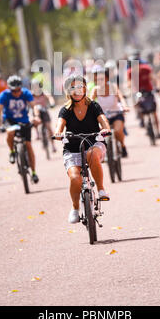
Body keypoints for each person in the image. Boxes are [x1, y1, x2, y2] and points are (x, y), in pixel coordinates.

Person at [53, 75, 111, 224]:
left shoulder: (94, 106)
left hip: (94, 143)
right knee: (74, 178)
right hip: (72, 148)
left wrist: (105, 129)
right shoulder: (65, 110)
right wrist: (58, 133)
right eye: (73, 87)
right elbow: (59, 126)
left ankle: (101, 189)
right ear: (69, 91)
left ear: (85, 88)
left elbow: (103, 121)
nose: (77, 90)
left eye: (80, 86)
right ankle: (75, 208)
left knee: (92, 154)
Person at [0, 75, 40, 183]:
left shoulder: (26, 93)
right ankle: (12, 151)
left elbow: (34, 106)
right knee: (10, 132)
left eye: (18, 90)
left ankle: (33, 172)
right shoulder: (4, 95)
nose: (17, 93)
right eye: (14, 90)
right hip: (9, 120)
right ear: (9, 89)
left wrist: (36, 116)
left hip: (24, 120)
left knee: (28, 145)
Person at [90, 68, 129, 157]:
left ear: (107, 79)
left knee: (118, 131)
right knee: (98, 132)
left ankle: (122, 146)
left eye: (101, 79)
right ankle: (103, 152)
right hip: (103, 117)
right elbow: (90, 102)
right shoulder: (95, 90)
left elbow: (121, 98)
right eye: (97, 79)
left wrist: (124, 106)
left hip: (116, 114)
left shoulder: (113, 87)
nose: (98, 81)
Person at [127, 51, 160, 138]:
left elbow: (153, 78)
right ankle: (142, 120)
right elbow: (129, 83)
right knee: (138, 105)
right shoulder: (130, 72)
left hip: (148, 91)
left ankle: (158, 132)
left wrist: (157, 87)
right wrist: (132, 91)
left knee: (154, 112)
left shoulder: (146, 69)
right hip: (138, 93)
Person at [31, 78, 56, 153]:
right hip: (36, 113)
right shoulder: (31, 94)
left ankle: (53, 145)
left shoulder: (43, 93)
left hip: (44, 111)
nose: (36, 87)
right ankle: (37, 134)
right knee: (33, 120)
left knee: (48, 127)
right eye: (34, 86)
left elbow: (50, 97)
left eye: (37, 86)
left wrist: (52, 103)